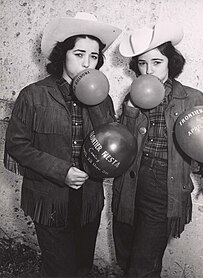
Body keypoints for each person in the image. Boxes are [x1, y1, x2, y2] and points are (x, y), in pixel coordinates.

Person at [4, 12, 121, 277]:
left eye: (93, 56)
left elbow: (111, 140)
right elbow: (16, 145)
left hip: (88, 198)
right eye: (79, 54)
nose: (87, 63)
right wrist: (61, 171)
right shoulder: (33, 94)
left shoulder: (103, 98)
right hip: (50, 199)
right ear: (62, 55)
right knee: (60, 269)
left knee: (82, 266)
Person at [112, 21, 203, 277]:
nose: (148, 70)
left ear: (171, 62)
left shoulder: (192, 98)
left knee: (142, 264)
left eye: (156, 62)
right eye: (142, 63)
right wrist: (129, 111)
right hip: (130, 182)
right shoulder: (132, 95)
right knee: (127, 255)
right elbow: (122, 144)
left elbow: (201, 142)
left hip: (165, 186)